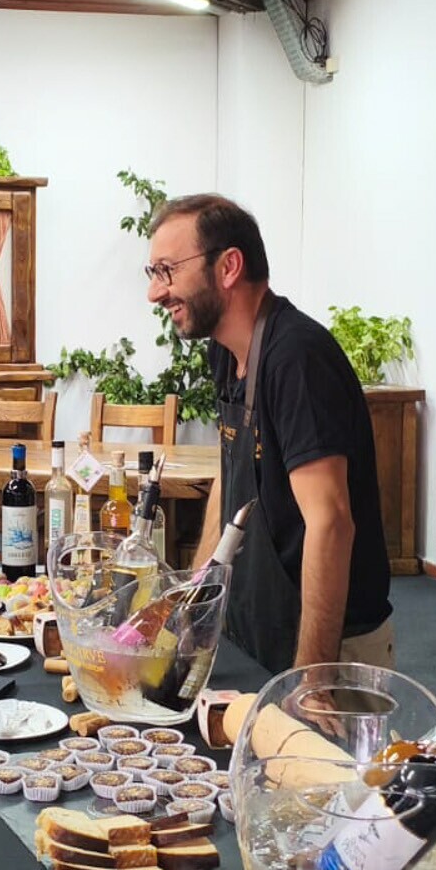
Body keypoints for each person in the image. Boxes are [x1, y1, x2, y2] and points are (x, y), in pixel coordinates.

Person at [144, 194, 392, 674]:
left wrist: (311, 679)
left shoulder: (297, 358)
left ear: (229, 266)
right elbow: (232, 475)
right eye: (153, 273)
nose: (156, 293)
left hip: (329, 650)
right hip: (262, 629)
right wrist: (197, 597)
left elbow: (331, 523)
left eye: (167, 270)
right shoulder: (225, 352)